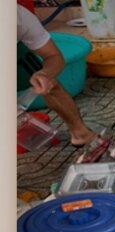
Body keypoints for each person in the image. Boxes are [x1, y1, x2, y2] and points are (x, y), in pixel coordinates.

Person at [17, 5, 96, 147]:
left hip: (16, 58)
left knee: (49, 84)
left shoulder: (20, 16)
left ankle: (80, 134)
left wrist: (44, 74)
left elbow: (53, 56)